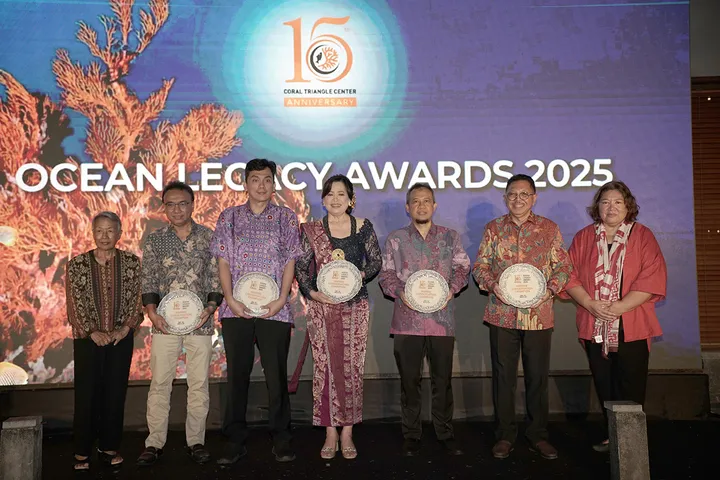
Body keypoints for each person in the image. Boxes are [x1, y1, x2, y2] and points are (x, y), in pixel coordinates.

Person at [560, 181, 667, 452]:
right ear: (597, 207)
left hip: (632, 323)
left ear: (628, 206)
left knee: (631, 384)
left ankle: (632, 442)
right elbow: (567, 276)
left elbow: (651, 276)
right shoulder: (584, 237)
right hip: (594, 322)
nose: (611, 207)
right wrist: (589, 303)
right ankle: (612, 435)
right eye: (605, 201)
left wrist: (619, 307)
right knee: (604, 384)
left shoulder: (642, 236)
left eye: (618, 202)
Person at [472, 173, 571, 461]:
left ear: (534, 198)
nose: (518, 199)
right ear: (505, 198)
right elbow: (480, 266)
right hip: (502, 314)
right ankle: (504, 435)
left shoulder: (549, 229)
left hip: (538, 315)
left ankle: (538, 434)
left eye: (524, 194)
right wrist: (493, 286)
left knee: (537, 377)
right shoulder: (494, 228)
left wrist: (548, 290)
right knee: (503, 377)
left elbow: (563, 267)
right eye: (513, 194)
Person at [211, 158, 302, 464]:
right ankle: (234, 439)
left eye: (267, 180)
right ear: (245, 183)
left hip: (275, 308)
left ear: (273, 184)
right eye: (255, 179)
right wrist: (230, 298)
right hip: (235, 308)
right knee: (237, 375)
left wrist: (281, 299)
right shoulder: (229, 216)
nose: (261, 185)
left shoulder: (286, 217)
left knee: (276, 375)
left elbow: (290, 260)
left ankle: (282, 437)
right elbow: (223, 260)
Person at [293, 174, 382, 460]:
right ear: (323, 199)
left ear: (351, 200)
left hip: (355, 307)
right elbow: (301, 268)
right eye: (330, 194)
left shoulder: (363, 227)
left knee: (352, 368)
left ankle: (348, 431)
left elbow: (376, 261)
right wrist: (313, 293)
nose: (335, 199)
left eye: (341, 194)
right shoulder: (312, 230)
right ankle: (330, 430)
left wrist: (357, 277)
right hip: (323, 307)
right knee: (325, 368)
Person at [379, 183, 471, 457]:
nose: (421, 206)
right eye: (416, 201)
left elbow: (463, 268)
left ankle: (445, 433)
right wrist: (401, 293)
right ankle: (411, 434)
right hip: (406, 321)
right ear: (407, 208)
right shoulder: (395, 239)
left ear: (434, 206)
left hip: (441, 321)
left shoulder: (450, 237)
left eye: (426, 201)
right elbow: (386, 275)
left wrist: (450, 291)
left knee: (442, 381)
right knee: (410, 382)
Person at [137, 181, 223, 466]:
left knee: (198, 385)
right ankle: (154, 443)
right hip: (164, 324)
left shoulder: (208, 237)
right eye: (171, 204)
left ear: (192, 205)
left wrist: (210, 307)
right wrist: (152, 312)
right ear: (164, 208)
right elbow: (148, 278)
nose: (177, 209)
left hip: (200, 323)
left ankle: (196, 441)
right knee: (160, 384)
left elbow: (216, 278)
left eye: (182, 203)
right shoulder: (155, 240)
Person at [66, 211, 142, 471]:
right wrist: (91, 331)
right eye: (99, 230)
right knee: (86, 394)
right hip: (88, 339)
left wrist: (125, 328)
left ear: (119, 233)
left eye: (110, 230)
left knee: (115, 393)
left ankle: (109, 447)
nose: (105, 235)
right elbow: (74, 303)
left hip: (120, 338)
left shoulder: (131, 263)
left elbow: (137, 300)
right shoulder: (77, 264)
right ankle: (82, 451)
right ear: (92, 233)